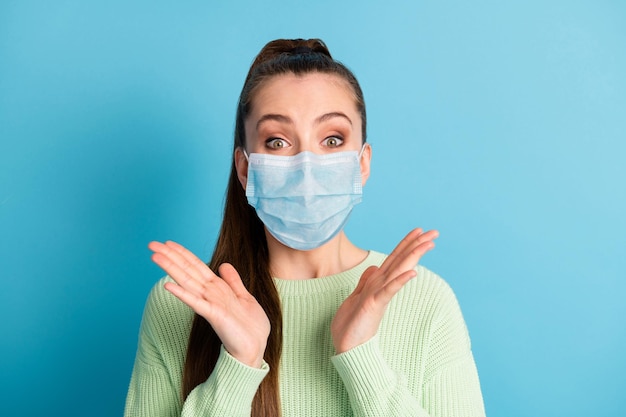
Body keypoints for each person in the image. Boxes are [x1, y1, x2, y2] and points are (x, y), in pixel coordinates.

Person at [124, 38, 485, 417]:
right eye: (277, 141)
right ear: (245, 169)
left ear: (362, 164)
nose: (307, 168)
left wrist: (363, 359)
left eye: (332, 139)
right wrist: (238, 365)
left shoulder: (424, 300)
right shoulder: (181, 304)